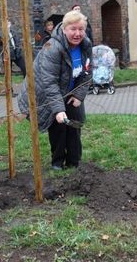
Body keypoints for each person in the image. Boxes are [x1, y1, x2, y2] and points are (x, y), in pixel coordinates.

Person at [17, 10, 92, 170]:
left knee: (74, 125)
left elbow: (87, 71)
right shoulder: (52, 48)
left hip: (71, 91)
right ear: (64, 29)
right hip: (46, 92)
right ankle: (57, 162)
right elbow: (49, 82)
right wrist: (58, 109)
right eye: (73, 29)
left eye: (81, 29)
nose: (77, 33)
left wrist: (79, 95)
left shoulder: (86, 45)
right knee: (58, 127)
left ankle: (74, 162)